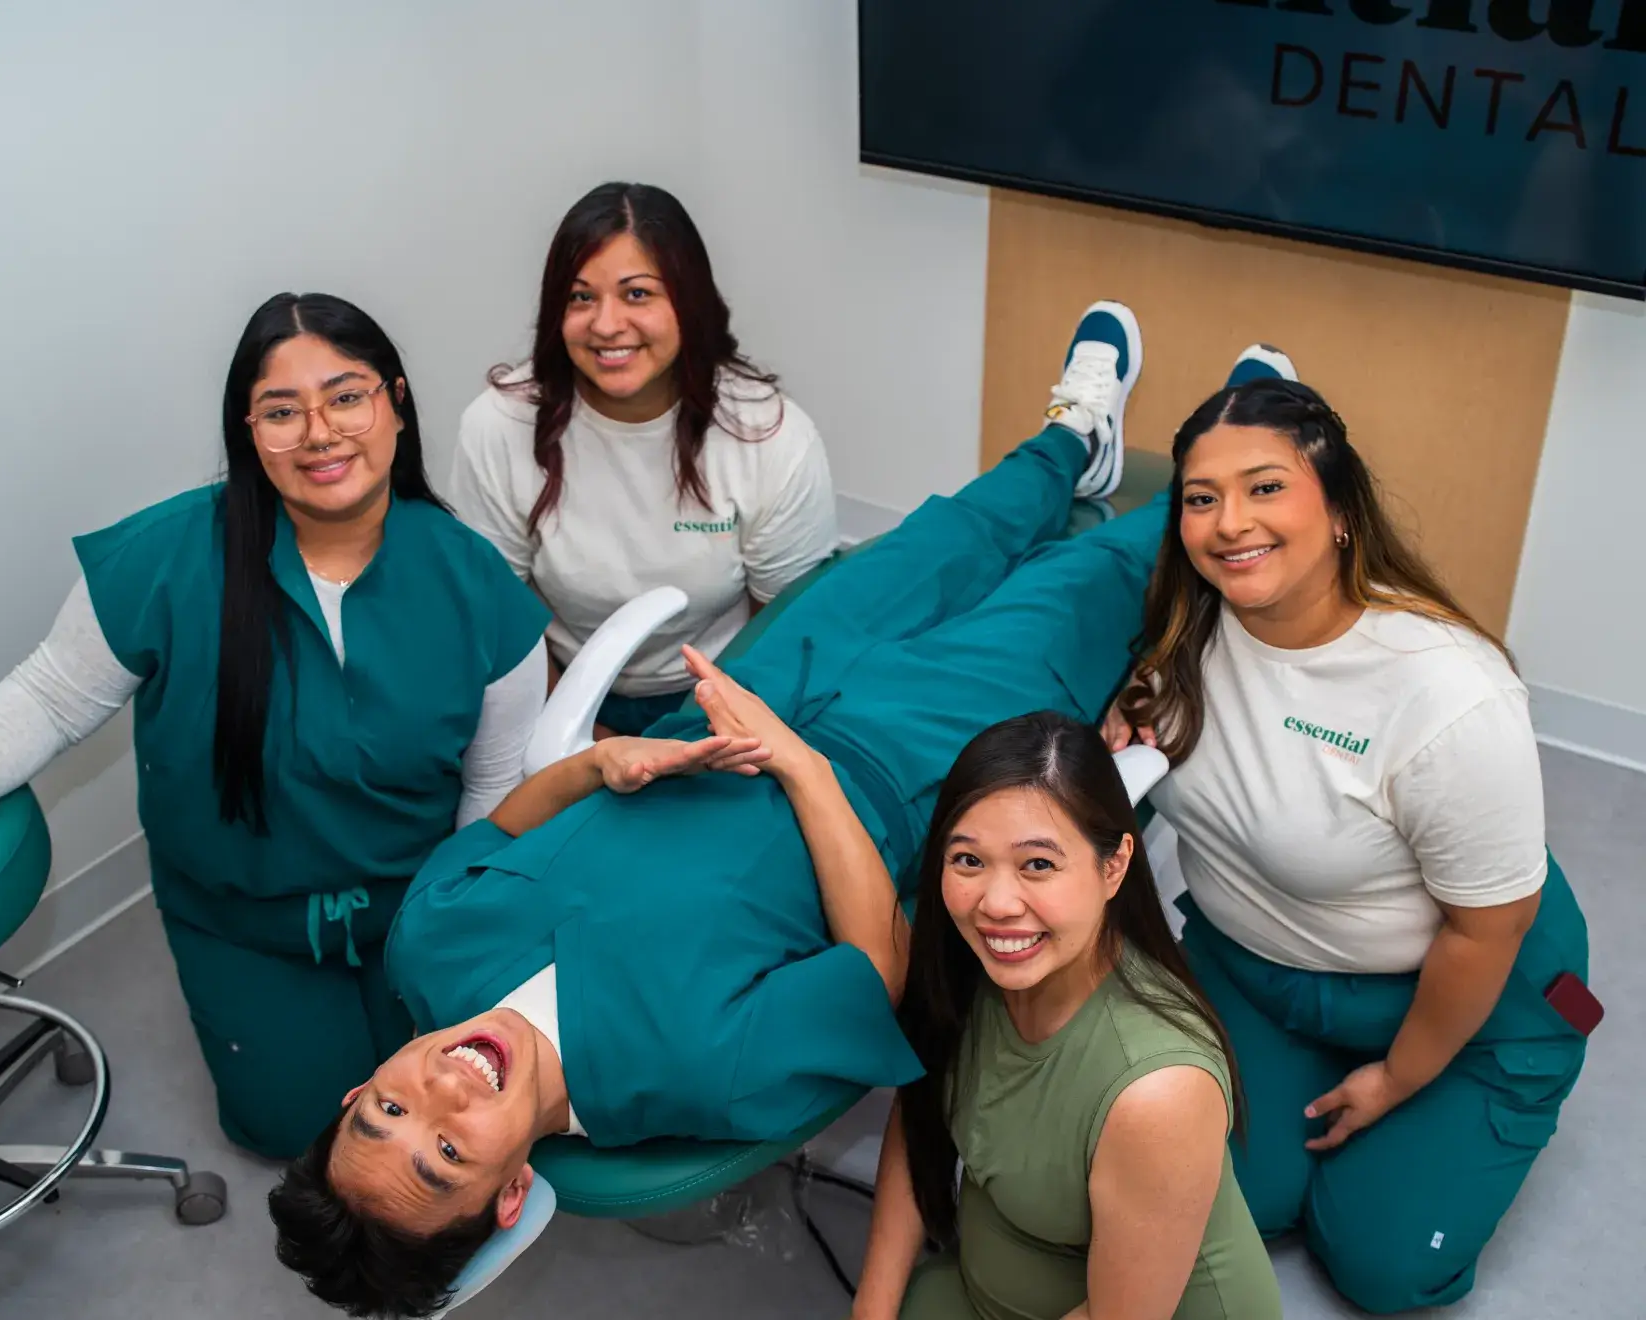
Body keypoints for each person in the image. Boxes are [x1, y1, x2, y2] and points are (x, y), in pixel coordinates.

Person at [267, 302, 1158, 1318]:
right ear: (511, 1192)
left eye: (386, 1108)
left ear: (356, 1090)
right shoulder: (692, 1073)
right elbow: (881, 970)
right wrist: (802, 773)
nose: (440, 1091)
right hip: (897, 765)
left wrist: (600, 766)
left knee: (947, 535)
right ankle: (1223, 471)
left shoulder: (427, 950)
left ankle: (1071, 442)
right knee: (1082, 589)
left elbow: (506, 826)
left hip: (755, 684)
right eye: (445, 1154)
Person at [0, 293, 551, 1161]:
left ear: (395, 401)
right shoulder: (169, 560)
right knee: (301, 1134)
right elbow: (48, 696)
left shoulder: (474, 581)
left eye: (347, 396)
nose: (320, 432)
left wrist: (456, 935)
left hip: (412, 906)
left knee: (439, 1124)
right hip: (244, 919)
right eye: (282, 411)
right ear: (249, 431)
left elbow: (494, 788)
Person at [1103, 364, 1594, 1313]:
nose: (1229, 522)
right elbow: (1169, 724)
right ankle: (1316, 1082)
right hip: (1256, 967)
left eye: (1265, 488)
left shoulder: (1450, 694)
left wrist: (1400, 1077)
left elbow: (1484, 931)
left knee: (1381, 1265)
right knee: (1203, 1203)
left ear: (1338, 511)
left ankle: (1444, 1101)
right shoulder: (1190, 620)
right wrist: (1124, 721)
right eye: (1202, 499)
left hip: (1463, 991)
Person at [851, 712, 1284, 1320]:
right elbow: (919, 1119)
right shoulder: (973, 964)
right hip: (982, 1287)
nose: (996, 905)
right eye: (969, 861)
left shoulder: (1158, 1092)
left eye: (1038, 865)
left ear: (1113, 866)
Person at [449, 181, 837, 737]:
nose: (606, 325)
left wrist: (703, 735)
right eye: (581, 297)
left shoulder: (770, 437)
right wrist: (587, 741)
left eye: (637, 294)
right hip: (554, 687)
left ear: (688, 301)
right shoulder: (499, 426)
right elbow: (500, 615)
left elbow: (784, 629)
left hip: (720, 695)